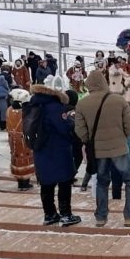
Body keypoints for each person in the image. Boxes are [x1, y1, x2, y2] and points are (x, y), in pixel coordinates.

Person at [75, 70, 130, 227]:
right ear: (104, 82)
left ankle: (101, 216)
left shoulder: (82, 103)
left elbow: (79, 129)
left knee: (102, 182)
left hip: (98, 151)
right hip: (119, 148)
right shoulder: (119, 101)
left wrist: (89, 141)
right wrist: (122, 139)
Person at [29, 83, 81, 226]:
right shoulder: (55, 107)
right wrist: (70, 122)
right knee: (64, 182)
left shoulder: (34, 104)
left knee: (46, 183)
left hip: (41, 151)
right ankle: (65, 214)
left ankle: (49, 214)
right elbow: (64, 127)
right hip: (57, 150)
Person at [7, 89, 34, 191]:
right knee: (26, 159)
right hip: (23, 140)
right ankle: (25, 183)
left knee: (16, 158)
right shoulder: (24, 113)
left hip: (12, 140)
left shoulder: (9, 110)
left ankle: (20, 183)